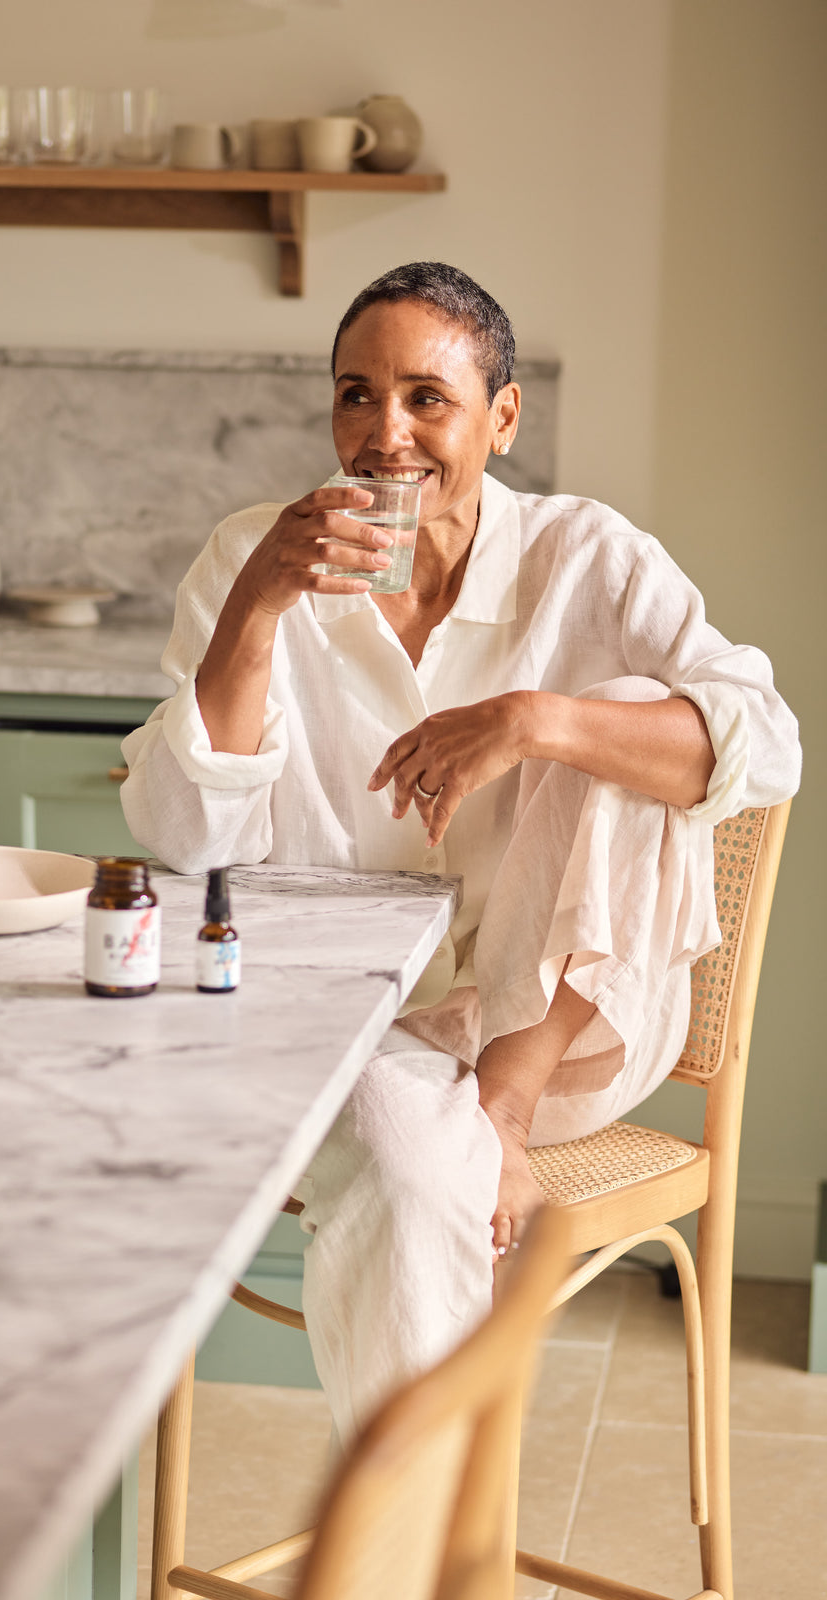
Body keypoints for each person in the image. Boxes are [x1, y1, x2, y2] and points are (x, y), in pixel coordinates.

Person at [120, 262, 800, 1441]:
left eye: (427, 398)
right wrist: (256, 613)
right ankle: (430, 1545)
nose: (385, 436)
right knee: (404, 1148)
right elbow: (185, 839)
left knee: (638, 706)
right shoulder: (252, 554)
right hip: (333, 1025)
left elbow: (766, 744)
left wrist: (542, 719)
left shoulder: (585, 558)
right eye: (355, 396)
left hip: (558, 1032)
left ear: (503, 416)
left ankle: (507, 1104)